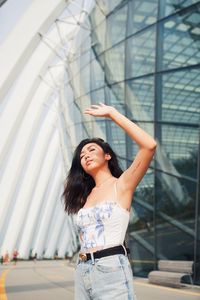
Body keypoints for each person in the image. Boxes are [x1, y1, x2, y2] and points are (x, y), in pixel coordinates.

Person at [63, 103, 157, 299]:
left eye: (91, 150)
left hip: (110, 268)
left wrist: (112, 114)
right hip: (82, 269)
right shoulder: (85, 196)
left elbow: (149, 146)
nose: (86, 155)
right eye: (81, 155)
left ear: (107, 155)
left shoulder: (122, 184)